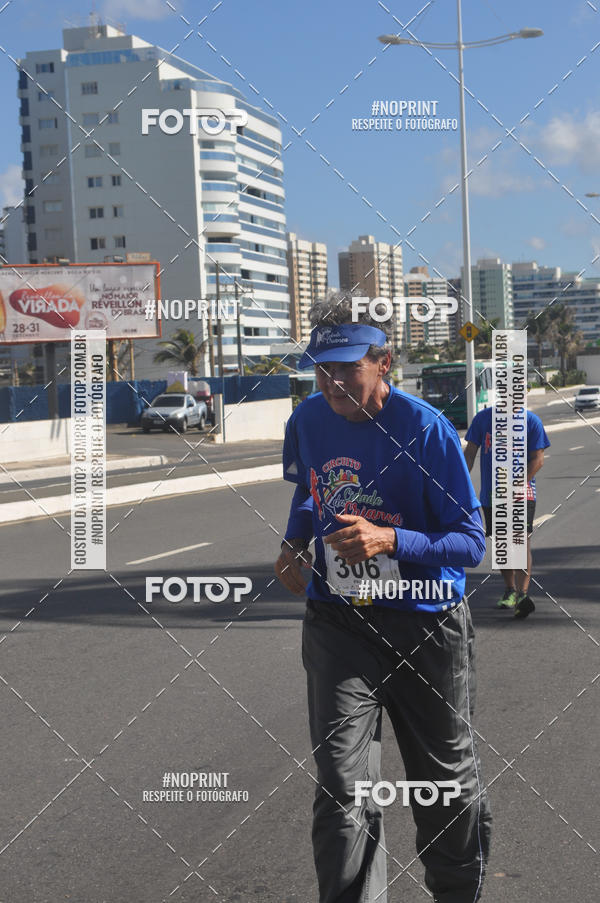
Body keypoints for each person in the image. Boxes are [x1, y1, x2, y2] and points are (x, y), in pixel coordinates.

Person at [274, 293, 492, 903]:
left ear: (384, 362)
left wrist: (389, 537)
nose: (333, 381)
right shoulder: (308, 420)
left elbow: (471, 544)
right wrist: (294, 542)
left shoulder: (427, 430)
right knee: (343, 783)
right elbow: (314, 492)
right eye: (322, 368)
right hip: (339, 620)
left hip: (426, 623)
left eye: (348, 366)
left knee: (442, 780)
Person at [463, 404, 550, 618]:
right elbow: (470, 454)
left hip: (522, 493)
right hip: (492, 495)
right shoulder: (483, 419)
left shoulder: (531, 421)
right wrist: (461, 485)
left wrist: (518, 485)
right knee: (502, 543)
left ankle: (522, 595)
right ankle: (510, 589)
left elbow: (538, 460)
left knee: (520, 540)